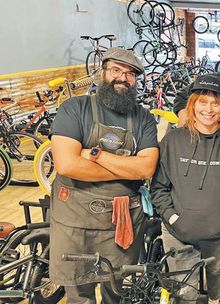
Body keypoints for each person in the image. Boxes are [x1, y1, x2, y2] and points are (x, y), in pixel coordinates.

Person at [49, 48, 159, 303]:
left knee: (116, 291)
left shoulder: (143, 118)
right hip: (74, 221)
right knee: (79, 294)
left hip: (120, 221)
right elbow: (66, 165)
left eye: (131, 74)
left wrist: (96, 155)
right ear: (103, 72)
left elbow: (145, 169)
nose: (123, 78)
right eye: (116, 70)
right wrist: (125, 168)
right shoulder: (74, 108)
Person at [151, 74, 220, 304]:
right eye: (203, 102)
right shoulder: (172, 140)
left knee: (216, 276)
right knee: (184, 294)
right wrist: (173, 217)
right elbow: (158, 187)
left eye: (215, 102)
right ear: (192, 104)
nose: (209, 108)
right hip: (178, 233)